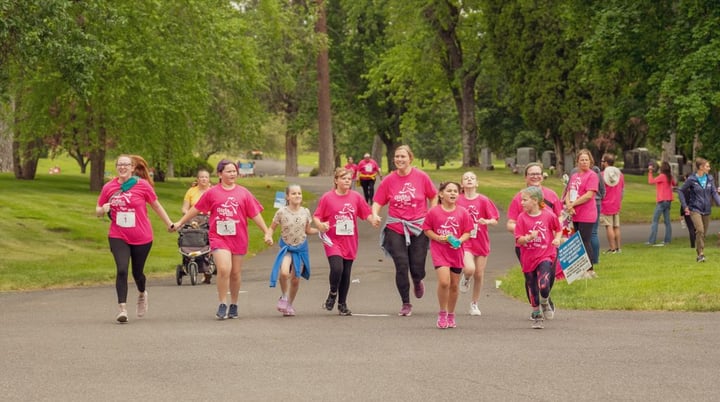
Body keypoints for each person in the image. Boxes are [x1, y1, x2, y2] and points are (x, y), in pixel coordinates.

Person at [171, 159, 274, 320]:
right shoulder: (212, 193)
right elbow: (195, 209)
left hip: (238, 237)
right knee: (224, 269)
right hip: (218, 237)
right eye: (228, 171)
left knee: (235, 273)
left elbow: (255, 214)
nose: (232, 174)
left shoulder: (243, 193)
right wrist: (180, 223)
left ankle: (234, 304)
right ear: (220, 174)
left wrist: (267, 232)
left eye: (234, 171)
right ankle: (222, 303)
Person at [95, 154, 173, 323]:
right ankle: (122, 309)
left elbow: (156, 205)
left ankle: (142, 293)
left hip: (142, 236)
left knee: (137, 273)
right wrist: (103, 209)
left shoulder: (142, 185)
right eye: (119, 164)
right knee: (122, 269)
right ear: (116, 167)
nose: (122, 167)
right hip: (118, 234)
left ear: (132, 168)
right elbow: (98, 210)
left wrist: (169, 223)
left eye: (126, 165)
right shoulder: (109, 187)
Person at [371, 145, 438, 317]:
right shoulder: (388, 180)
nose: (399, 159)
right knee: (401, 264)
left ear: (410, 158)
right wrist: (375, 214)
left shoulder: (421, 177)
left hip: (419, 226)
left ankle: (417, 280)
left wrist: (433, 213)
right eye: (397, 156)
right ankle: (406, 303)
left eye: (403, 156)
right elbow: (378, 201)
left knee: (417, 266)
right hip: (396, 226)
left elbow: (433, 195)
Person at [314, 168, 373, 316]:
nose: (347, 181)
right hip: (332, 239)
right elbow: (317, 216)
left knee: (346, 273)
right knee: (337, 268)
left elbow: (366, 213)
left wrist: (374, 220)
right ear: (336, 180)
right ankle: (333, 293)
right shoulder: (327, 198)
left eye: (349, 178)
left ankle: (342, 304)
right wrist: (320, 225)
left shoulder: (356, 197)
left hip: (350, 240)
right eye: (343, 178)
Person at [423, 181, 473, 329]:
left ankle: (451, 314)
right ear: (441, 194)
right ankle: (442, 312)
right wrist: (437, 237)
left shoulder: (463, 212)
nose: (452, 193)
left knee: (454, 285)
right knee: (444, 282)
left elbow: (467, 232)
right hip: (439, 251)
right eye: (449, 191)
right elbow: (426, 229)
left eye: (455, 191)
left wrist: (459, 240)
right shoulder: (434, 211)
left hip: (456, 251)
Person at [265, 184, 318, 316]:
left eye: (299, 193)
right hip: (287, 248)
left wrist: (320, 230)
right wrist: (268, 235)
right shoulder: (281, 212)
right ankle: (283, 296)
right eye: (293, 193)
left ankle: (289, 304)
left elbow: (308, 230)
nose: (297, 196)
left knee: (295, 278)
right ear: (287, 197)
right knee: (283, 273)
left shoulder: (305, 211)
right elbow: (272, 228)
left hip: (300, 248)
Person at [514, 186, 562, 329]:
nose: (521, 203)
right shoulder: (521, 218)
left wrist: (557, 239)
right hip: (528, 257)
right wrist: (528, 237)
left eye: (524, 200)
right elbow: (518, 240)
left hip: (545, 254)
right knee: (532, 284)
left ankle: (545, 301)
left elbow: (558, 229)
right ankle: (537, 314)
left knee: (543, 284)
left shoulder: (548, 215)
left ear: (535, 200)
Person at [457, 171, 499, 316]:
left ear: (477, 183)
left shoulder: (483, 200)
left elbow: (495, 219)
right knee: (470, 269)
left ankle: (474, 303)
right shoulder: (457, 199)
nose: (469, 180)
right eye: (466, 178)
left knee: (479, 274)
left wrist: (486, 221)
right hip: (465, 240)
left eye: (472, 178)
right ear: (462, 184)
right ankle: (466, 277)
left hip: (480, 240)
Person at [562, 149, 599, 278]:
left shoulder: (592, 175)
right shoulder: (574, 176)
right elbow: (568, 192)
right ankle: (579, 269)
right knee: (577, 241)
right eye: (581, 160)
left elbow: (589, 195)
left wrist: (573, 204)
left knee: (585, 240)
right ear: (577, 162)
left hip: (587, 213)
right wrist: (568, 205)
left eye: (586, 160)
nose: (584, 162)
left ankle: (590, 270)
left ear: (590, 161)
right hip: (574, 212)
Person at [677, 157, 720, 263]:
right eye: (707, 166)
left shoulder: (710, 178)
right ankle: (700, 254)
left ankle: (700, 250)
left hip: (707, 209)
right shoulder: (692, 179)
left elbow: (714, 193)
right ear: (701, 167)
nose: (709, 168)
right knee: (699, 230)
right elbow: (680, 191)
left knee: (703, 233)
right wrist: (684, 205)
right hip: (695, 209)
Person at [181, 168, 213, 283]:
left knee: (206, 238)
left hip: (208, 219)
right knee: (186, 234)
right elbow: (184, 208)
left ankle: (206, 267)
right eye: (201, 177)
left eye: (206, 177)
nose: (204, 179)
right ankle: (188, 261)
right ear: (198, 179)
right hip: (193, 219)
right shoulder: (191, 191)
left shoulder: (212, 191)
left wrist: (209, 213)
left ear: (209, 179)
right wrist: (189, 214)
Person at [600, 154, 624, 253]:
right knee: (616, 226)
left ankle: (612, 248)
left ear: (606, 163)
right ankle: (618, 248)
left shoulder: (602, 175)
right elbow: (622, 190)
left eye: (602, 161)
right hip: (616, 203)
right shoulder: (620, 175)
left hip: (606, 204)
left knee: (609, 226)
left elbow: (599, 190)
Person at [647, 161, 676, 246]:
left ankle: (651, 241)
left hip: (661, 201)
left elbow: (651, 181)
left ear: (662, 169)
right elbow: (674, 183)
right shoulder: (669, 177)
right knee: (667, 221)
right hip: (669, 201)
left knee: (655, 220)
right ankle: (667, 240)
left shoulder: (662, 176)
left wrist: (650, 171)